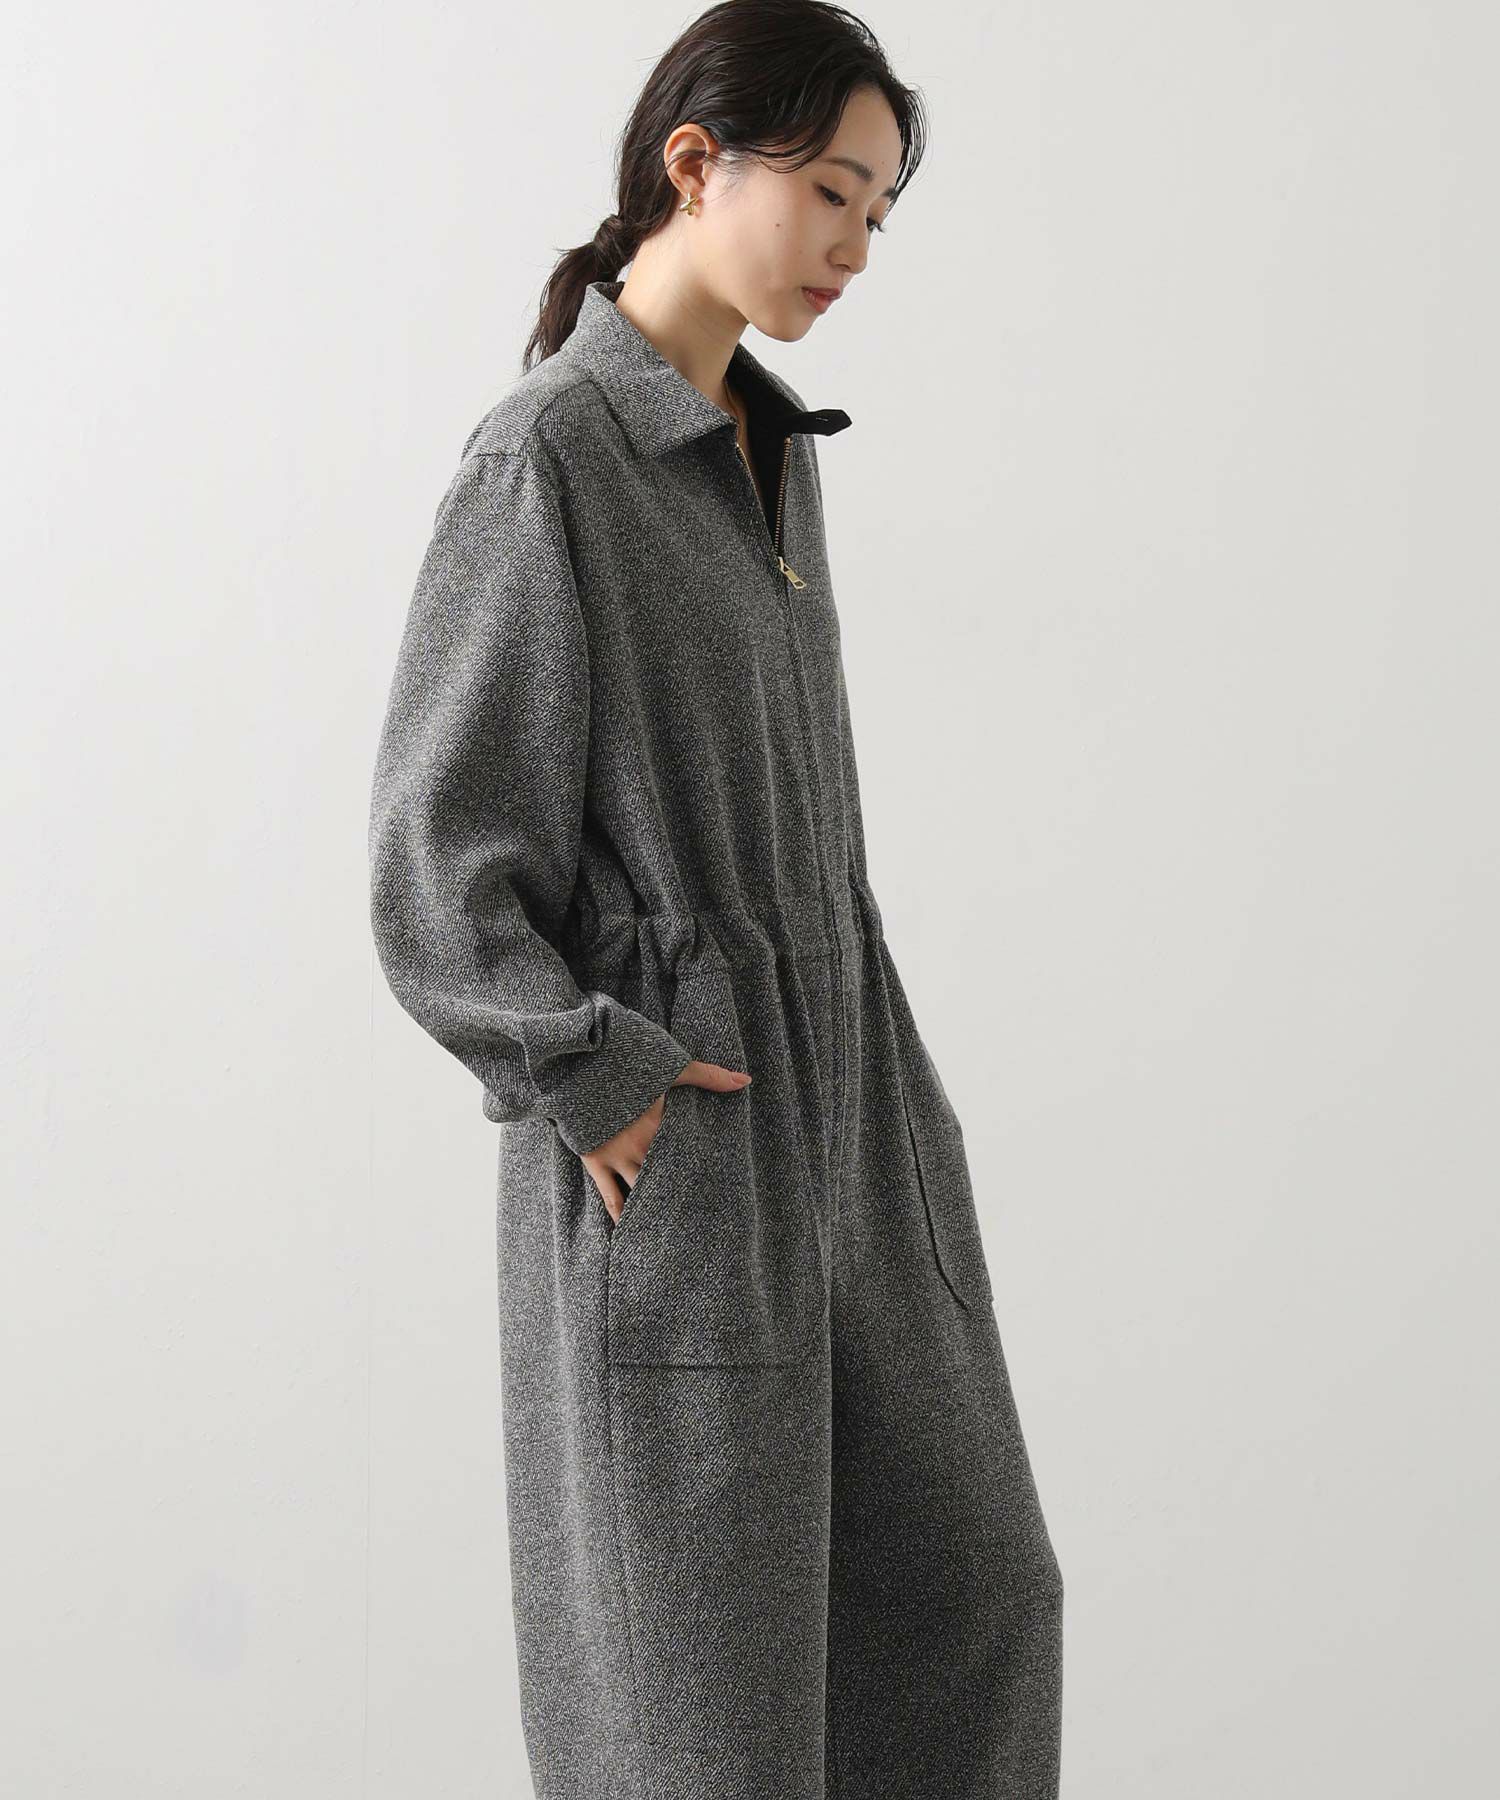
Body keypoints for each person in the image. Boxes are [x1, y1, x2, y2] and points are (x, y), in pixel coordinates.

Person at [367, 2, 1064, 1793]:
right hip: (693, 1123)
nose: (855, 246)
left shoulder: (770, 442)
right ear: (696, 163)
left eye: (878, 212)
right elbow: (437, 856)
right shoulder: (547, 460)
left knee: (976, 1608)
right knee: (709, 1713)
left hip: (860, 1114)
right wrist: (587, 1072)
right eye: (831, 192)